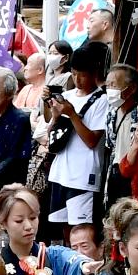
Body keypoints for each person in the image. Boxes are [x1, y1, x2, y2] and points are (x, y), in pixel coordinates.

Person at [43, 40, 111, 240]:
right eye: (74, 73)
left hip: (83, 175)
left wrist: (72, 114)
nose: (78, 79)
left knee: (81, 230)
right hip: (60, 172)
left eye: (82, 74)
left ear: (94, 73)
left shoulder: (102, 100)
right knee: (64, 230)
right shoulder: (67, 94)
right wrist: (52, 110)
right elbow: (51, 130)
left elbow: (91, 141)